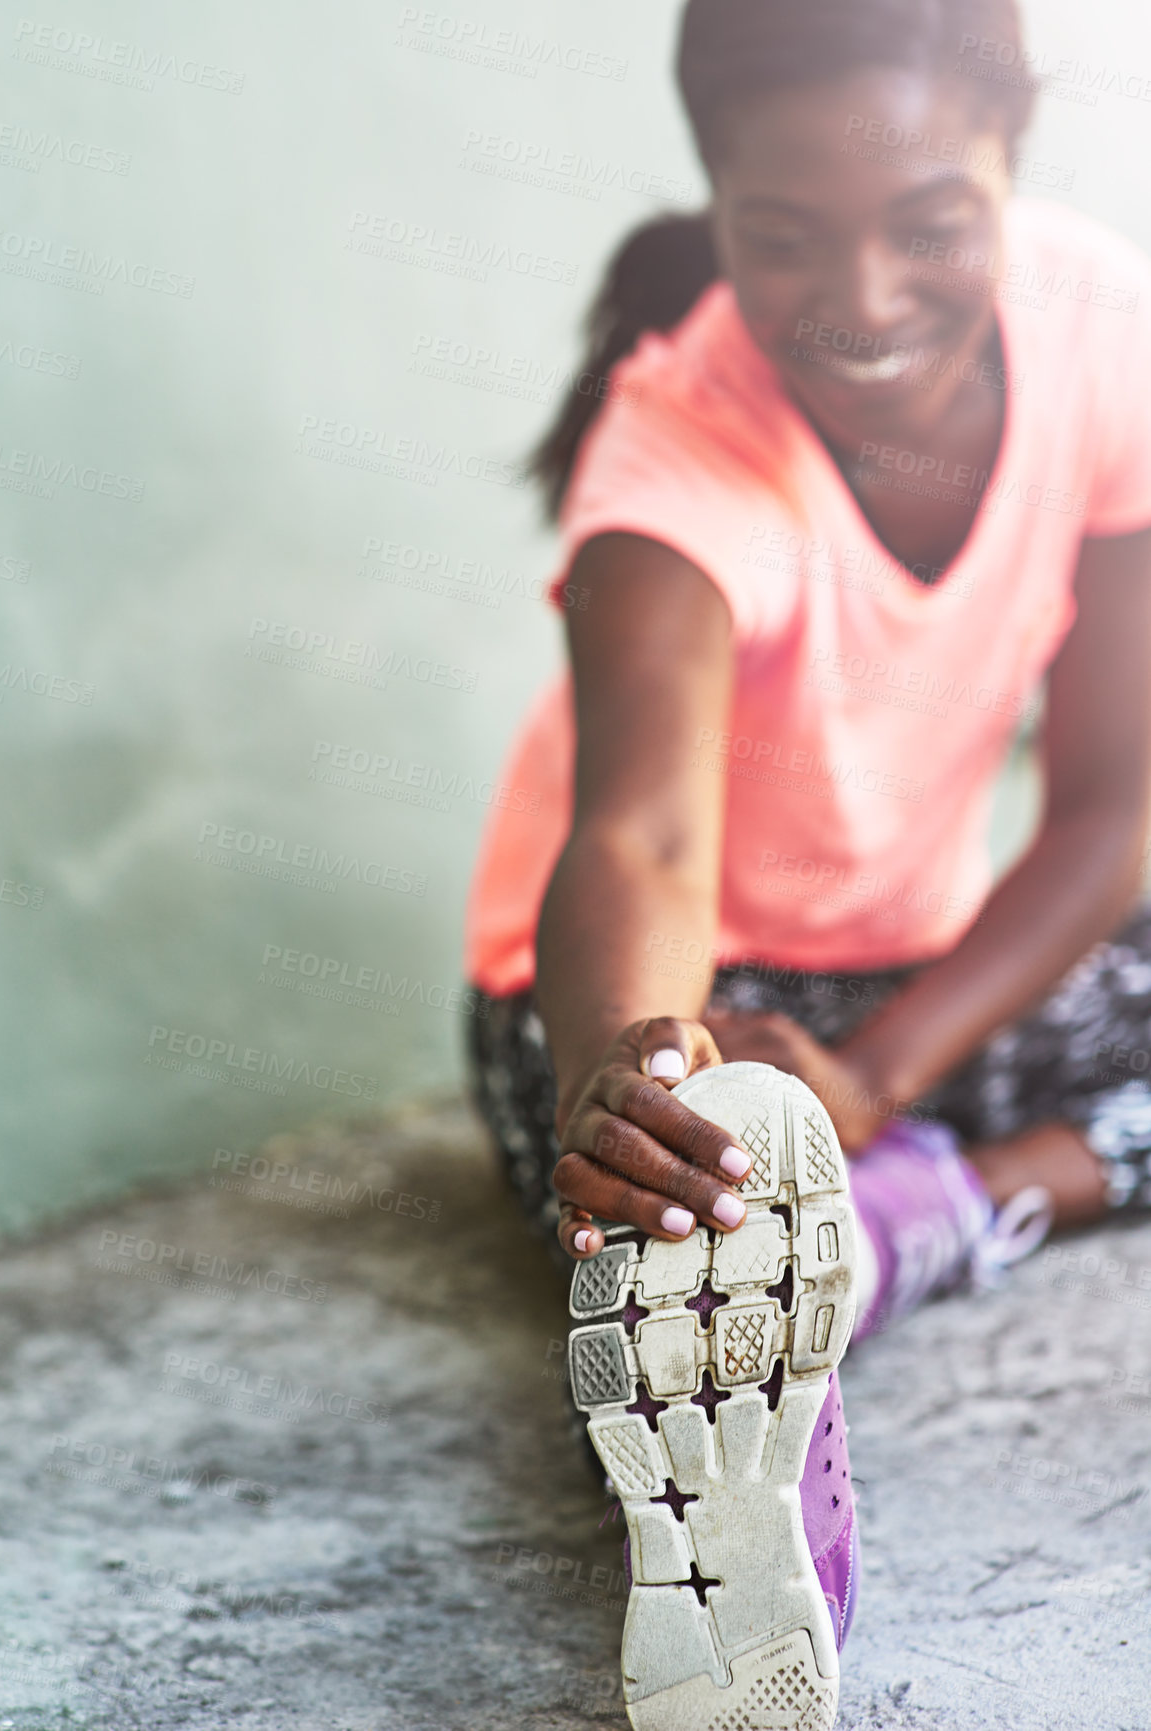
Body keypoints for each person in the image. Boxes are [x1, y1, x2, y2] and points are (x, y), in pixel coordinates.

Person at [462, 1, 1151, 1724]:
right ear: (714, 203)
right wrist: (635, 1074)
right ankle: (752, 1484)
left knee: (808, 1170)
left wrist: (883, 1072)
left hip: (907, 982)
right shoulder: (675, 444)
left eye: (929, 223)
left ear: (1012, 164)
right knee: (681, 1225)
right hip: (656, 995)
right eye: (785, 240)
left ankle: (919, 1209)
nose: (862, 298)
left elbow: (1111, 811)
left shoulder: (1102, 325)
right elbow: (641, 834)